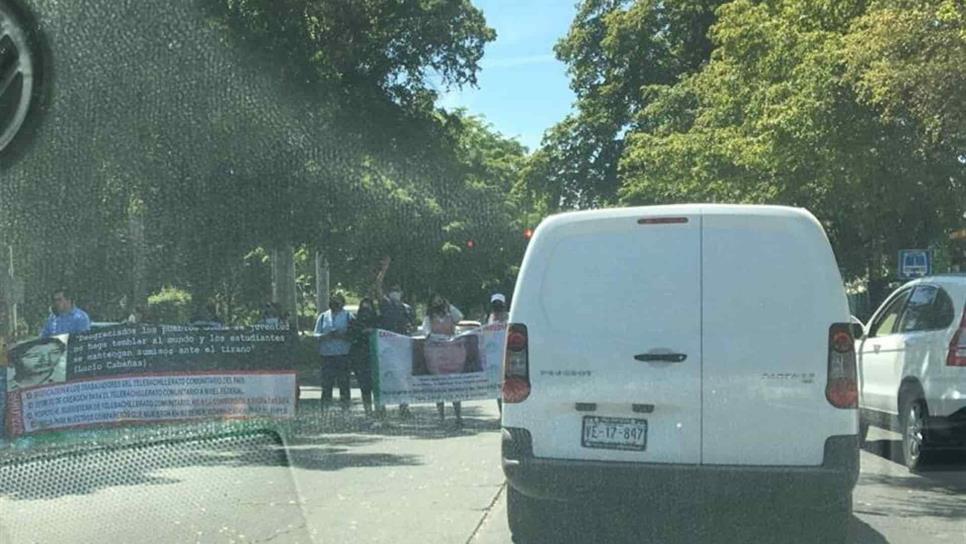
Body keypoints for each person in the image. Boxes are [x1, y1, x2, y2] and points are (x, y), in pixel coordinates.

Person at [373, 257, 417, 417]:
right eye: (393, 290)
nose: (395, 292)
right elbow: (377, 287)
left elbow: (412, 326)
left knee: (403, 378)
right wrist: (383, 270)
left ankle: (404, 407)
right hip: (386, 348)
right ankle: (382, 408)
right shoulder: (386, 304)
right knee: (385, 377)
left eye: (398, 290)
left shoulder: (406, 309)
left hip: (403, 348)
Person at [421, 292, 465, 427]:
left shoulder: (449, 314)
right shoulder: (429, 317)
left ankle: (458, 416)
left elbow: (460, 317)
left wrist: (449, 306)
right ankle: (441, 418)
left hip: (452, 353)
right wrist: (433, 338)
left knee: (454, 386)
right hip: (435, 354)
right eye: (435, 301)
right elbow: (426, 332)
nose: (437, 303)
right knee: (438, 386)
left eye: (440, 300)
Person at [315, 292, 353, 413]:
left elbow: (354, 335)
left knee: (344, 385)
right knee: (326, 385)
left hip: (343, 355)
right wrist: (325, 335)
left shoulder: (348, 316)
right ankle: (324, 411)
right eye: (332, 300)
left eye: (337, 301)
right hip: (327, 356)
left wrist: (342, 335)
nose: (334, 303)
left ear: (342, 303)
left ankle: (345, 410)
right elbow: (316, 335)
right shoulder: (322, 317)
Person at [348, 297, 379, 416]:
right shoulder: (355, 322)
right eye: (364, 307)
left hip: (376, 358)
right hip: (360, 358)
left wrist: (373, 331)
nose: (366, 310)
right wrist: (362, 332)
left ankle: (380, 410)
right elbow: (350, 335)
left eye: (368, 307)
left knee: (377, 386)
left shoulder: (378, 321)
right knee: (364, 386)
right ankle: (368, 411)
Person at [486, 293, 509, 414]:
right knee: (497, 388)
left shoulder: (511, 317)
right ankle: (501, 413)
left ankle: (509, 413)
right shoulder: (490, 318)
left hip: (508, 355)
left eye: (499, 304)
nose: (497, 306)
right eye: (495, 304)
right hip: (495, 359)